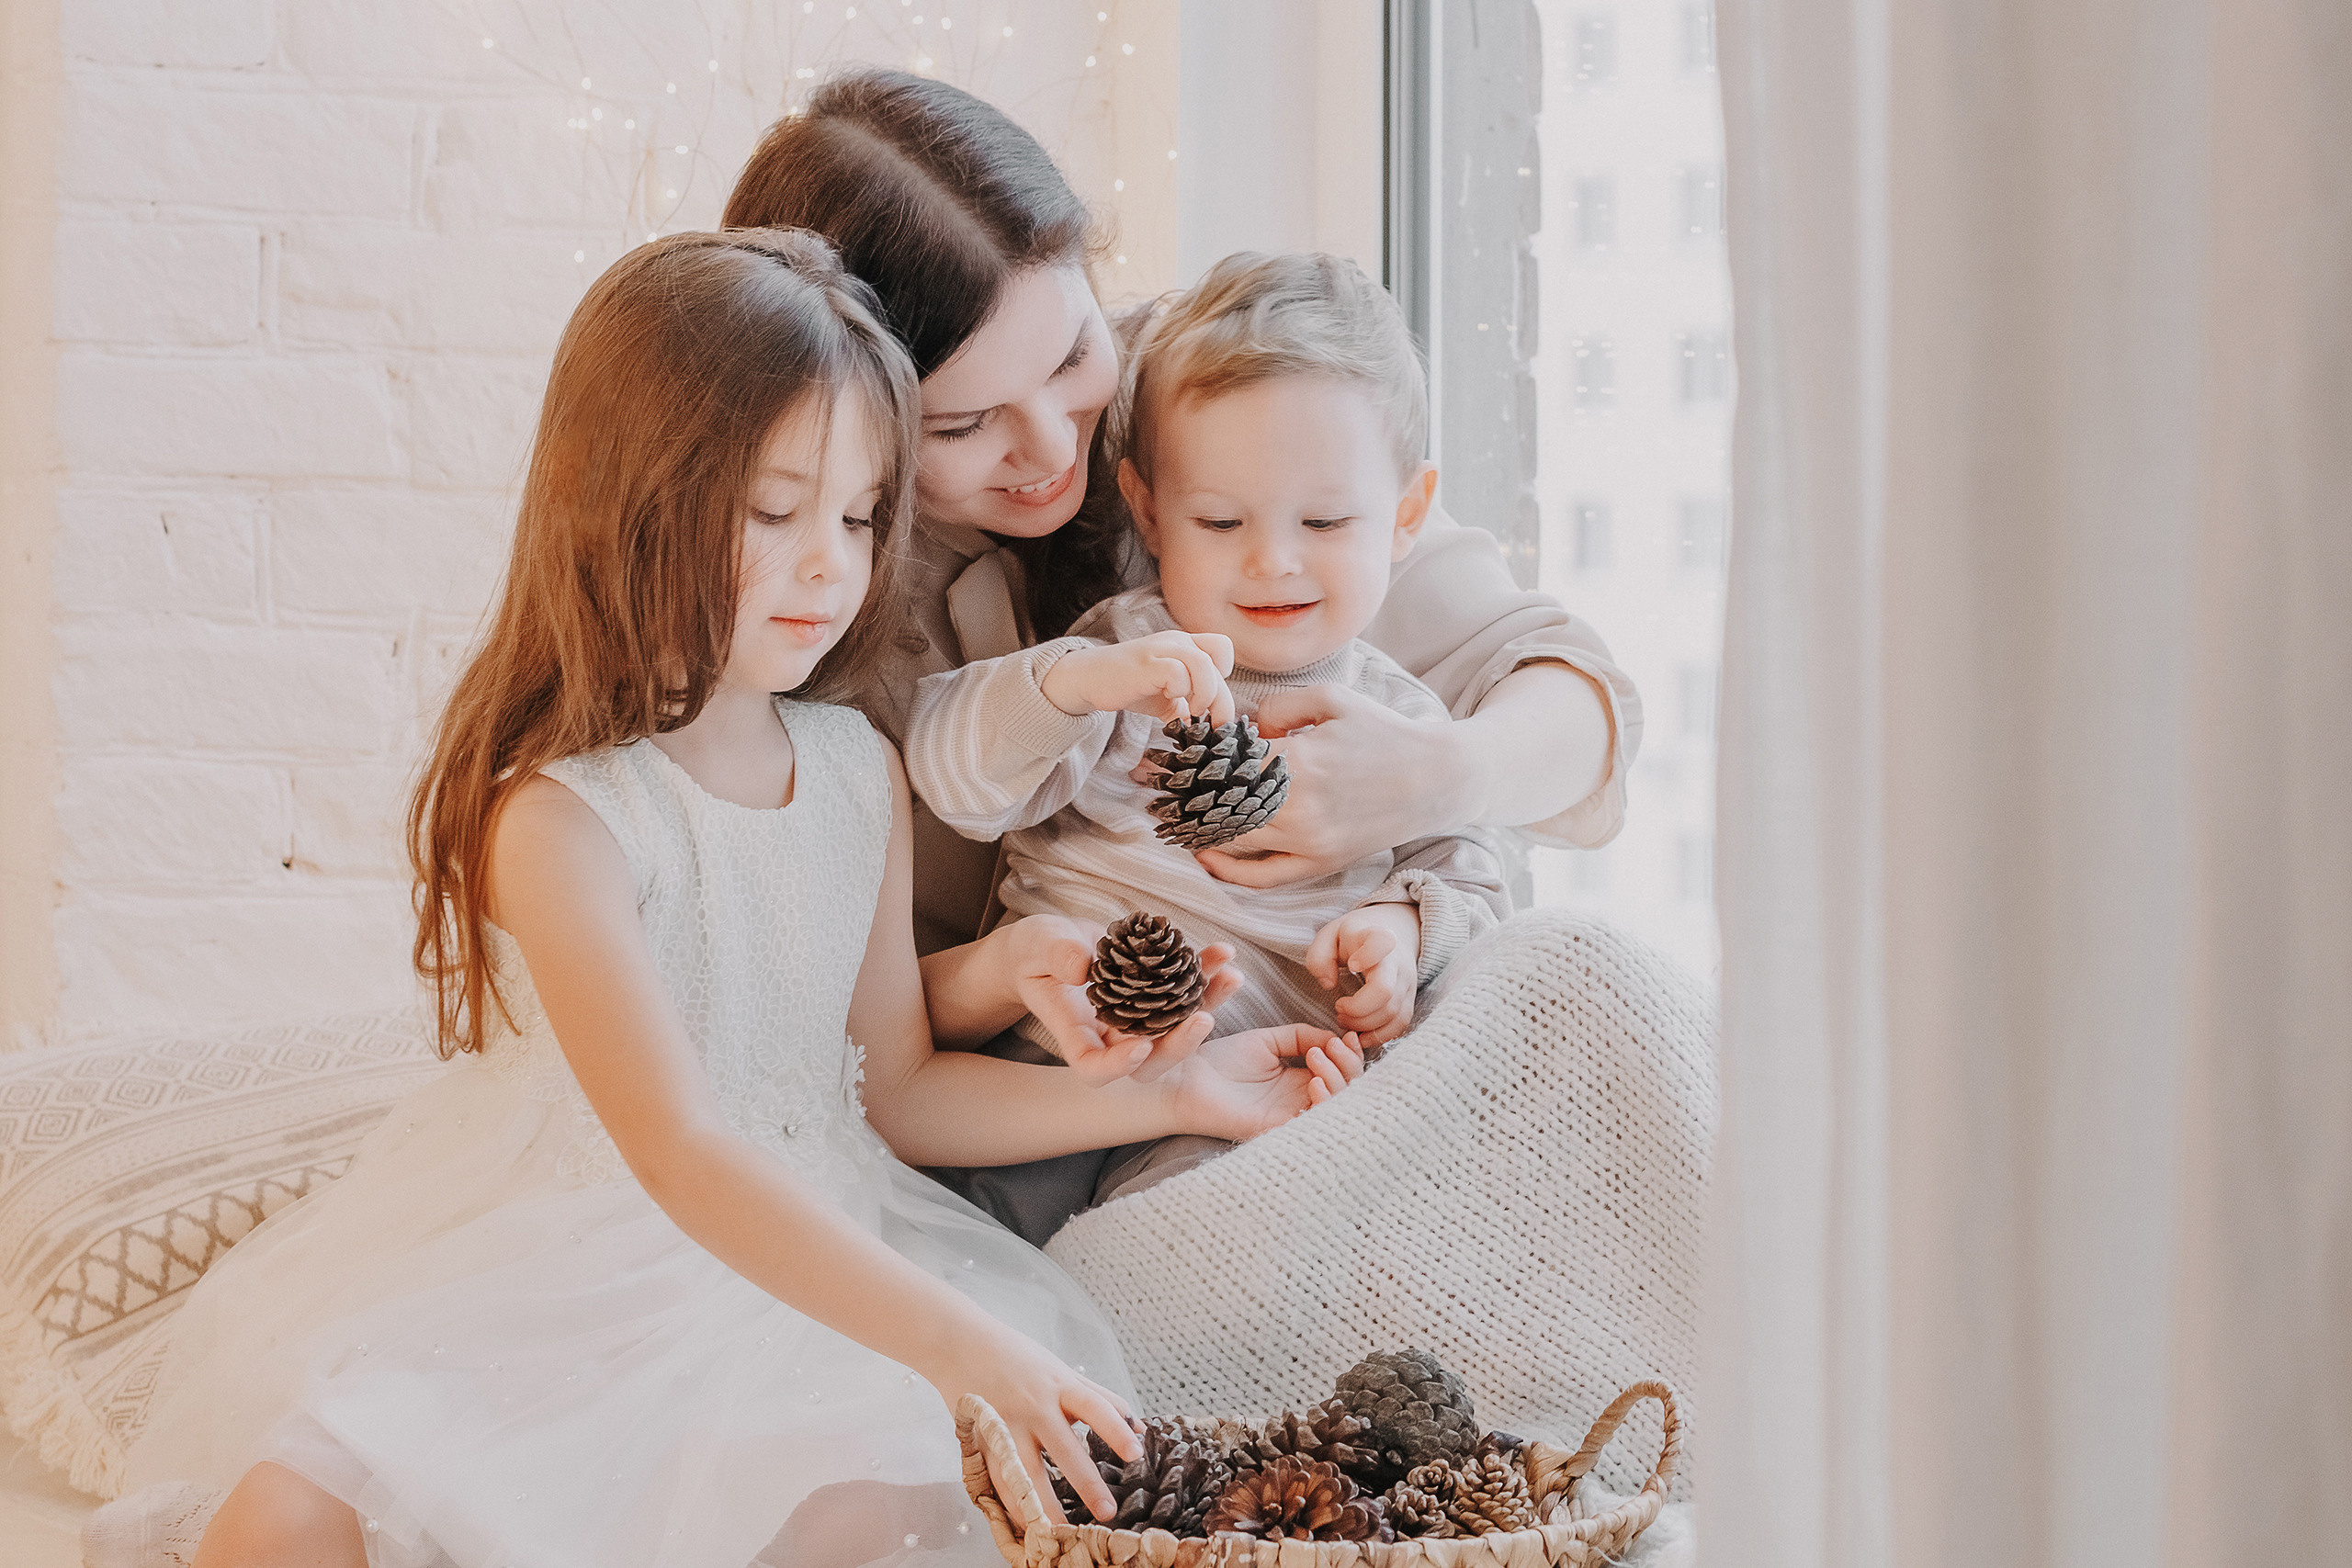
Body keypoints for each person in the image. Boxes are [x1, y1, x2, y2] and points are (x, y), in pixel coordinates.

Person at [110, 230, 1360, 1568]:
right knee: (295, 1512)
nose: (830, 564)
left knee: (875, 1497)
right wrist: (957, 1339)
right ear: (629, 497)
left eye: (862, 513)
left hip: (830, 1254)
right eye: (775, 512)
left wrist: (1172, 1092)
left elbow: (899, 1090)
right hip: (586, 1265)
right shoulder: (561, 818)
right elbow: (686, 1153)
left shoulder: (852, 768)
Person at [721, 70, 1644, 1240]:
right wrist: (1032, 973)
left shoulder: (1208, 390)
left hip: (1310, 1080)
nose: (1051, 447)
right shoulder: (818, 603)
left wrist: (1427, 783)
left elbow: (1576, 698)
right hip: (1045, 1097)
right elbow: (857, 1037)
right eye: (961, 425)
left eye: (1068, 358)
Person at [905, 252, 1514, 1234]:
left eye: (1324, 520)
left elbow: (1478, 880)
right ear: (1149, 509)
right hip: (1067, 1073)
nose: (1273, 558)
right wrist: (1068, 685)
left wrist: (1407, 931)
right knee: (981, 1258)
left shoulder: (1402, 721)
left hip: (1277, 1103)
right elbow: (952, 778)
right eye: (1220, 520)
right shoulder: (1116, 662)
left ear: (1404, 516)